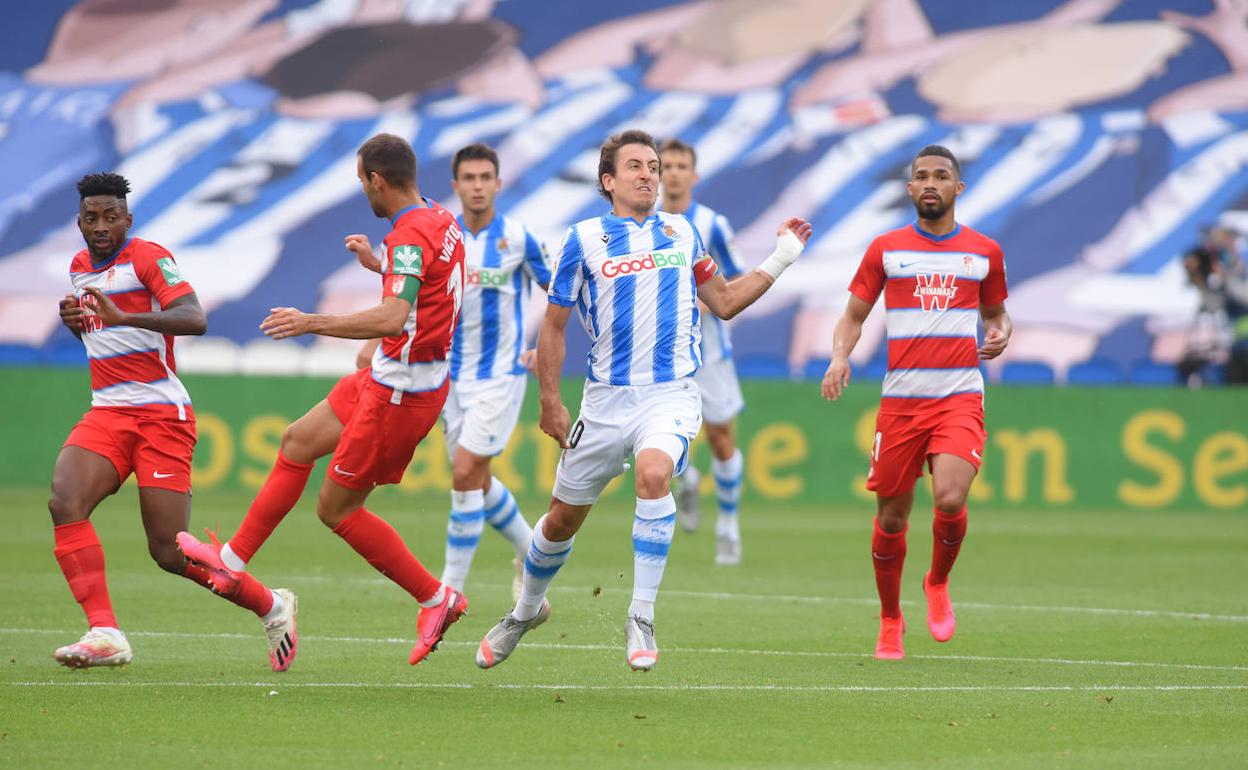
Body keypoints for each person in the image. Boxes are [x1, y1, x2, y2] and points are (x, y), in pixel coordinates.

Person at [475, 129, 812, 672]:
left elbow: (723, 301)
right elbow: (555, 327)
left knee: (654, 474)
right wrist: (550, 401)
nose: (648, 174)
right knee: (561, 521)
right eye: (634, 166)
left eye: (653, 166)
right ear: (608, 181)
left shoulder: (683, 231)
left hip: (670, 393)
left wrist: (782, 257)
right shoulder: (582, 239)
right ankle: (525, 611)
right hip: (604, 401)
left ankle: (642, 614)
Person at [178, 133, 469, 668]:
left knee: (336, 509)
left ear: (377, 180)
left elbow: (390, 317)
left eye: (363, 182)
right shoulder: (439, 218)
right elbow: (429, 283)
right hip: (396, 374)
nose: (365, 192)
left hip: (401, 393)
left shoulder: (408, 235)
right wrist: (379, 265)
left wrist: (311, 322)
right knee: (297, 440)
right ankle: (232, 560)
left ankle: (435, 597)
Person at [50, 172, 294, 669]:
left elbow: (194, 317)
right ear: (79, 222)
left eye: (111, 217)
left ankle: (271, 605)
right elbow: (102, 339)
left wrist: (125, 318)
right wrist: (77, 327)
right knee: (64, 500)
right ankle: (105, 632)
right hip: (109, 411)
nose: (101, 226)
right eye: (91, 218)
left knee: (168, 551)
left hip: (162, 415)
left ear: (128, 220)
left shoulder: (147, 257)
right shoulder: (78, 268)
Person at [821, 145, 1010, 660]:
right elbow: (854, 314)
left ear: (957, 188)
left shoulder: (983, 252)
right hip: (902, 402)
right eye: (921, 176)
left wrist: (999, 333)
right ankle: (889, 619)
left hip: (959, 396)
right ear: (909, 189)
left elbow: (997, 314)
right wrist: (840, 356)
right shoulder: (886, 248)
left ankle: (937, 582)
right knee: (892, 519)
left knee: (950, 499)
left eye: (941, 176)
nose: (930, 183)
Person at [358, 142, 551, 599]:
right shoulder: (443, 234)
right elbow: (407, 296)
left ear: (499, 184)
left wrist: (545, 346)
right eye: (470, 178)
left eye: (486, 178)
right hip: (447, 374)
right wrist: (377, 271)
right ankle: (532, 550)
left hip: (500, 374)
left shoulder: (519, 239)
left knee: (465, 473)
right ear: (455, 186)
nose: (478, 186)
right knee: (476, 481)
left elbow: (560, 290)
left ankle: (448, 592)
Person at [659, 138, 748, 565]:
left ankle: (728, 524)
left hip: (709, 353)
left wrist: (704, 300)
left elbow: (736, 280)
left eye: (681, 165)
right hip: (661, 352)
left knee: (720, 436)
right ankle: (688, 479)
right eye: (667, 165)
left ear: (694, 175)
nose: (673, 172)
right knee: (661, 437)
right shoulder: (645, 224)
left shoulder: (712, 224)